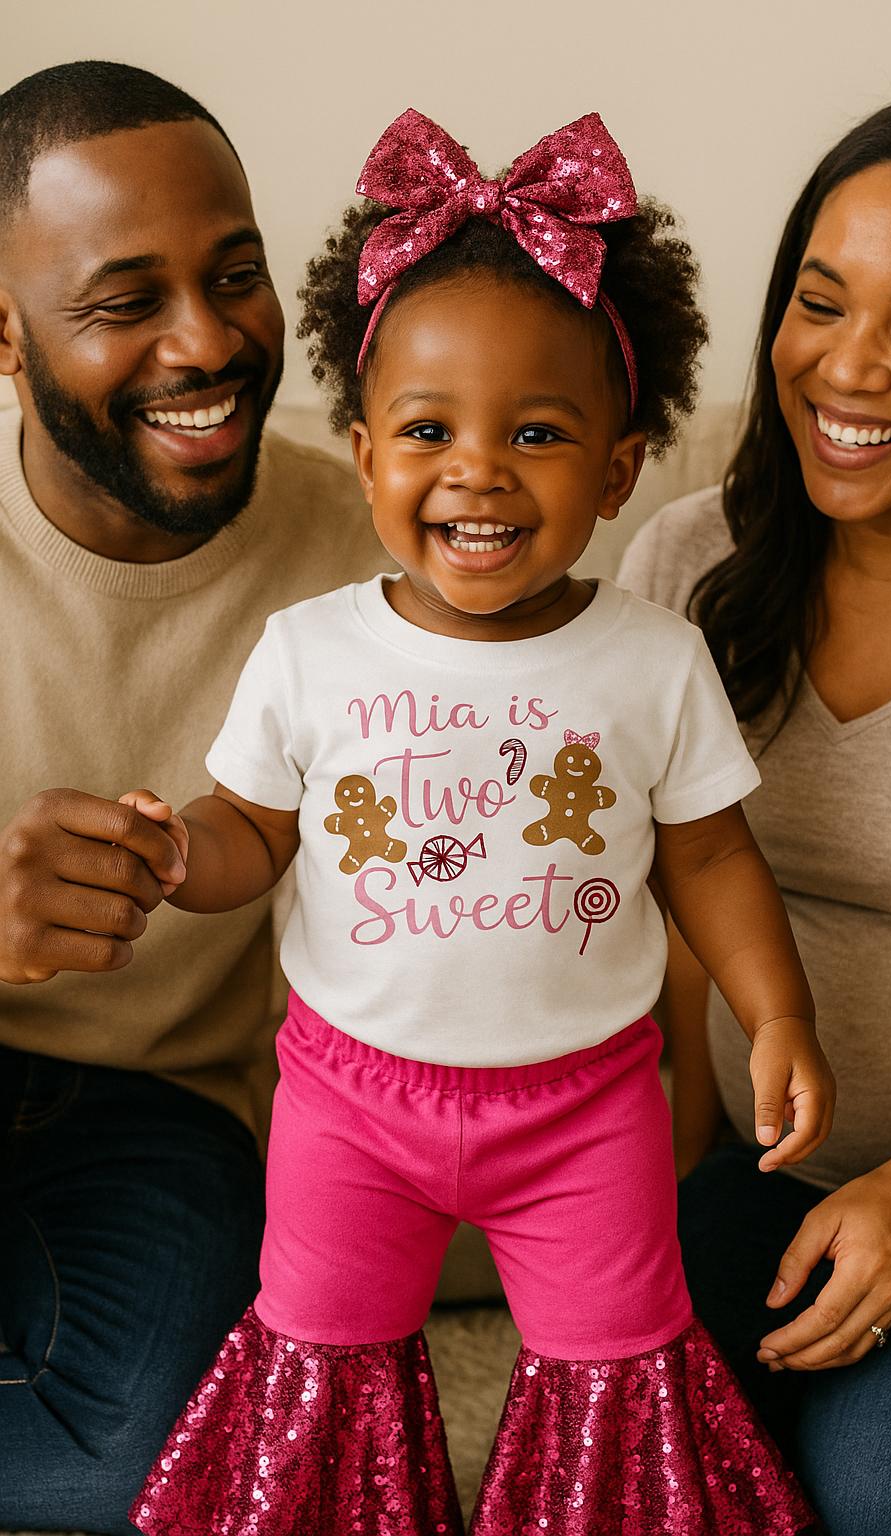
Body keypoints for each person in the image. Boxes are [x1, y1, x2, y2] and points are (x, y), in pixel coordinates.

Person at [122, 110, 834, 1536]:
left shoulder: (653, 660)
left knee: (618, 1356)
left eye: (539, 435)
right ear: (365, 451)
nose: (479, 470)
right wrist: (179, 854)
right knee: (319, 1344)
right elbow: (253, 829)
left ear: (620, 469)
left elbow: (707, 855)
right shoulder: (311, 649)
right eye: (428, 432)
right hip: (348, 1102)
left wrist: (779, 1016)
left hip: (588, 1108)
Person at [619, 85, 891, 1536]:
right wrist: (652, 1199)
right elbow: (668, 911)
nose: (846, 370)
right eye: (819, 302)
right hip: (764, 1167)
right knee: (624, 1458)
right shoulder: (689, 563)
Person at [0, 61, 390, 1534]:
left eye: (234, 276)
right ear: (4, 332)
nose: (208, 342)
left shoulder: (379, 552)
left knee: (137, 1462)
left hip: (165, 1113)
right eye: (125, 302)